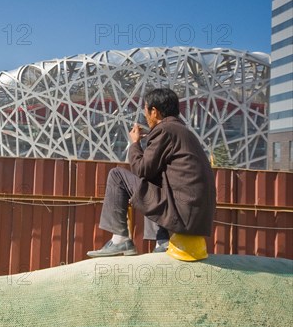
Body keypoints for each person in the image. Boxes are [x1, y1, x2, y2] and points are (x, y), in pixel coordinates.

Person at [87, 88, 216, 257]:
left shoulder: (165, 130)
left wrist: (135, 144)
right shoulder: (183, 132)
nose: (145, 116)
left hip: (181, 214)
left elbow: (141, 170)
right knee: (155, 178)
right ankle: (162, 240)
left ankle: (120, 239)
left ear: (154, 111)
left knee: (117, 175)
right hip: (196, 218)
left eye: (146, 110)